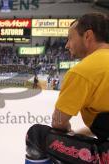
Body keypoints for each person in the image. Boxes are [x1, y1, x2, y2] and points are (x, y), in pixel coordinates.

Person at [25, 12, 109, 163]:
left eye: (70, 38)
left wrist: (68, 133)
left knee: (37, 135)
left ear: (87, 36)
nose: (66, 45)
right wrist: (78, 134)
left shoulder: (83, 71)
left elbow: (59, 123)